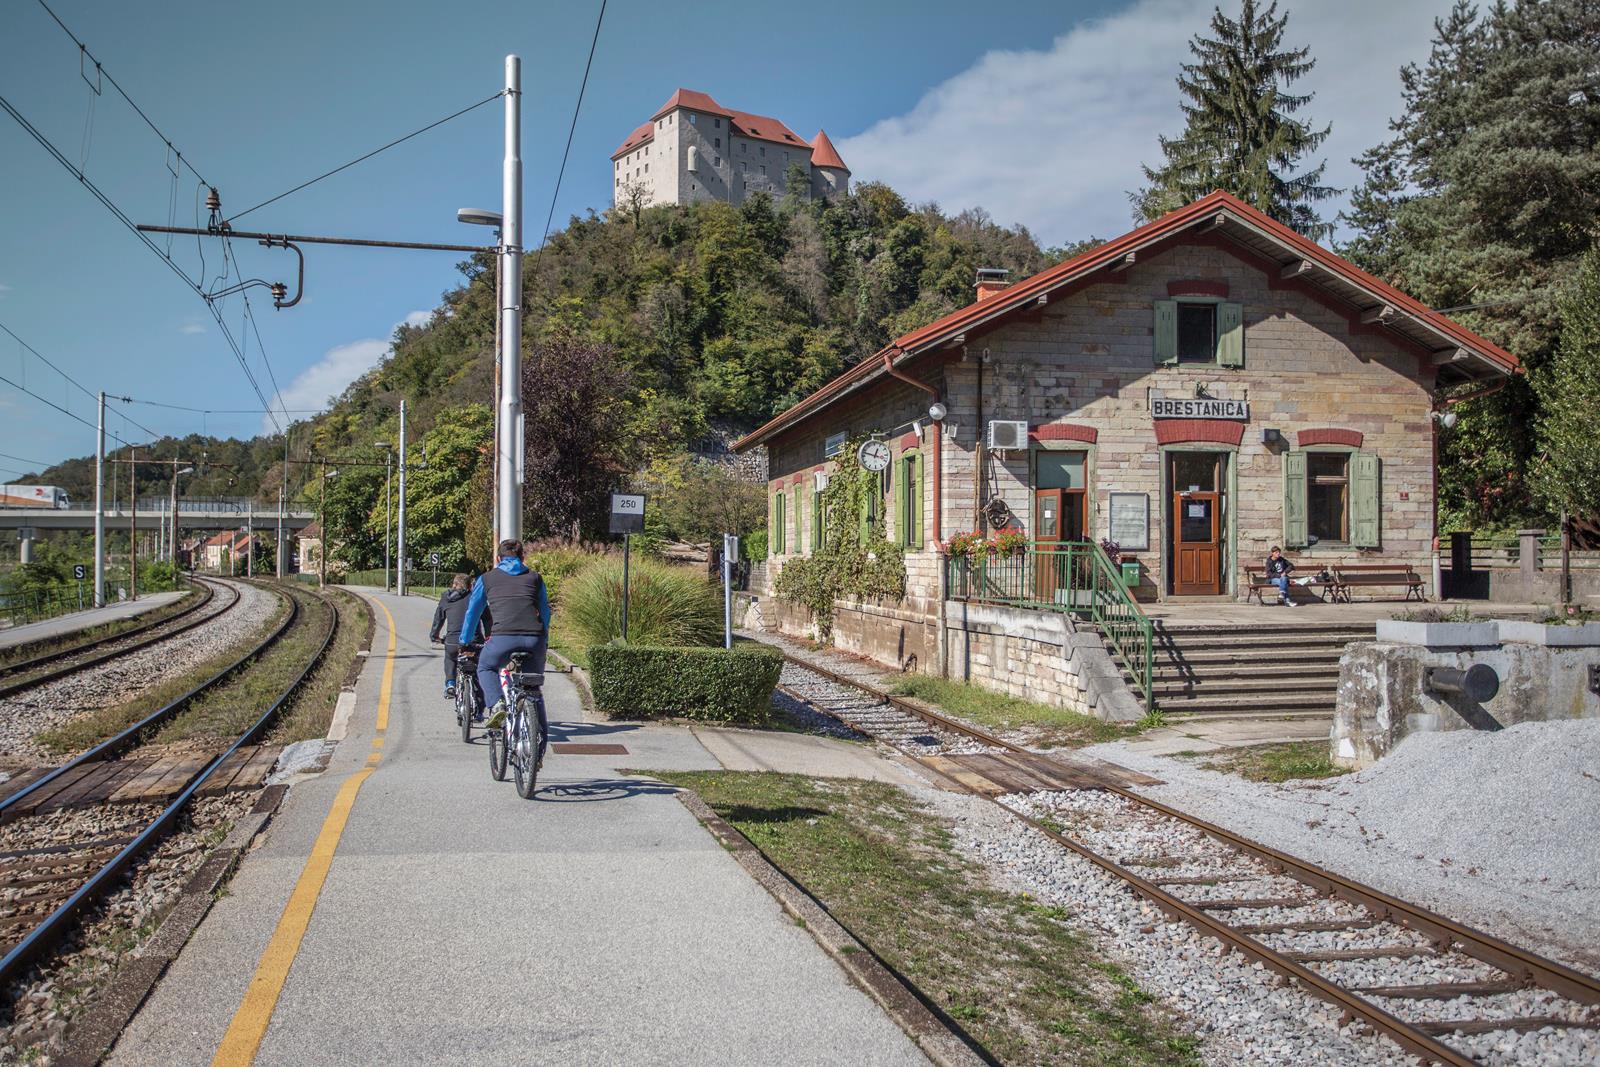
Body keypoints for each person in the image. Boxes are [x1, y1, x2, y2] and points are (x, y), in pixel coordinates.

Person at [458, 539, 551, 728]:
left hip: (503, 639)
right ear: (523, 557)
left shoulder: (487, 578)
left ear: (498, 558)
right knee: (533, 689)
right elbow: (545, 611)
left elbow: (473, 612)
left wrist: (465, 640)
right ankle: (537, 745)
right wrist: (544, 638)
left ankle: (497, 703)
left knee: (485, 667)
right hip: (534, 639)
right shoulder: (535, 578)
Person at [429, 573, 479, 698]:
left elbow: (438, 620)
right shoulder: (474, 598)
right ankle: (478, 688)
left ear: (454, 584)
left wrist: (434, 636)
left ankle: (450, 684)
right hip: (473, 641)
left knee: (450, 657)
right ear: (469, 587)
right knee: (478, 662)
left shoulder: (446, 598)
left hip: (452, 641)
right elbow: (487, 619)